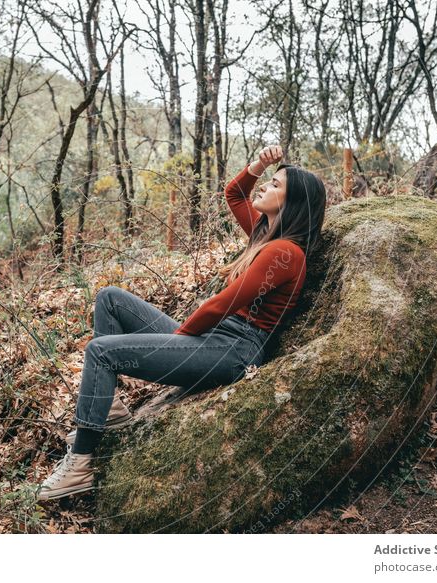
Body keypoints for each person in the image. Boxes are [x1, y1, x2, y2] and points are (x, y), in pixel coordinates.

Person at [35, 145, 327, 501]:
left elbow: (225, 303)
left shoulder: (285, 253)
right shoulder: (266, 235)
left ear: (292, 203)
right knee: (110, 298)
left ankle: (81, 463)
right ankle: (108, 409)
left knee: (101, 352)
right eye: (268, 180)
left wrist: (179, 339)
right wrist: (258, 165)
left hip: (233, 351)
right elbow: (234, 194)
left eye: (276, 184)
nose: (265, 186)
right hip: (217, 339)